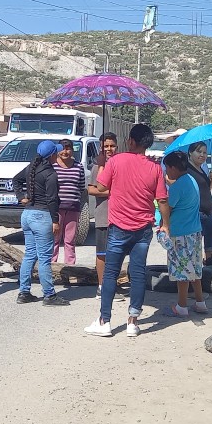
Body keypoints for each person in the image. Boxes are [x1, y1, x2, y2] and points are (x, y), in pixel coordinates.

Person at [85, 123, 170, 338]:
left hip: (119, 227)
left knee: (111, 274)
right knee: (138, 273)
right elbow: (162, 200)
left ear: (131, 141)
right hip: (143, 229)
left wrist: (103, 165)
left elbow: (102, 188)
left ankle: (105, 321)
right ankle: (133, 321)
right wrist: (166, 225)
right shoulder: (155, 168)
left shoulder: (117, 161)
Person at [12, 140, 69, 306]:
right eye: (56, 152)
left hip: (27, 214)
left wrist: (20, 197)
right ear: (52, 155)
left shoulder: (31, 167)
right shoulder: (50, 174)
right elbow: (52, 200)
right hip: (42, 216)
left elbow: (15, 180)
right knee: (44, 258)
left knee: (29, 255)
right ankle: (49, 295)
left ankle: (24, 292)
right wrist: (56, 221)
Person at [159, 151, 208, 317]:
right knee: (194, 269)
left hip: (180, 234)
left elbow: (167, 207)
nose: (166, 171)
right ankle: (200, 302)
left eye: (167, 168)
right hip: (194, 232)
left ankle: (181, 306)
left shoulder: (178, 186)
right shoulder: (191, 180)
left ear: (173, 167)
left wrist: (162, 225)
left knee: (181, 272)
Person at [87, 132, 123, 298]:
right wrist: (112, 192)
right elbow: (93, 189)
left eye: (112, 145)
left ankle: (112, 284)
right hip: (103, 216)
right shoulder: (97, 167)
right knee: (102, 254)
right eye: (105, 146)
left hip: (120, 216)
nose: (109, 149)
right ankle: (102, 287)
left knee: (116, 253)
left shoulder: (120, 164)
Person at [185, 141, 212, 266]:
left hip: (207, 212)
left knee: (211, 226)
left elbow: (207, 190)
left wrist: (211, 180)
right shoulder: (187, 169)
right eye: (199, 152)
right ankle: (194, 263)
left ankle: (209, 257)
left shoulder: (202, 169)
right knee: (195, 241)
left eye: (205, 152)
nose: (202, 155)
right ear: (190, 153)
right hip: (196, 212)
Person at [52, 138, 86, 265]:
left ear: (72, 150)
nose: (65, 152)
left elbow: (82, 187)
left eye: (68, 148)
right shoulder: (53, 166)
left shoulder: (78, 166)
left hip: (73, 208)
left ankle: (70, 267)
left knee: (70, 240)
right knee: (54, 239)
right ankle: (51, 265)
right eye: (62, 149)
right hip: (56, 208)